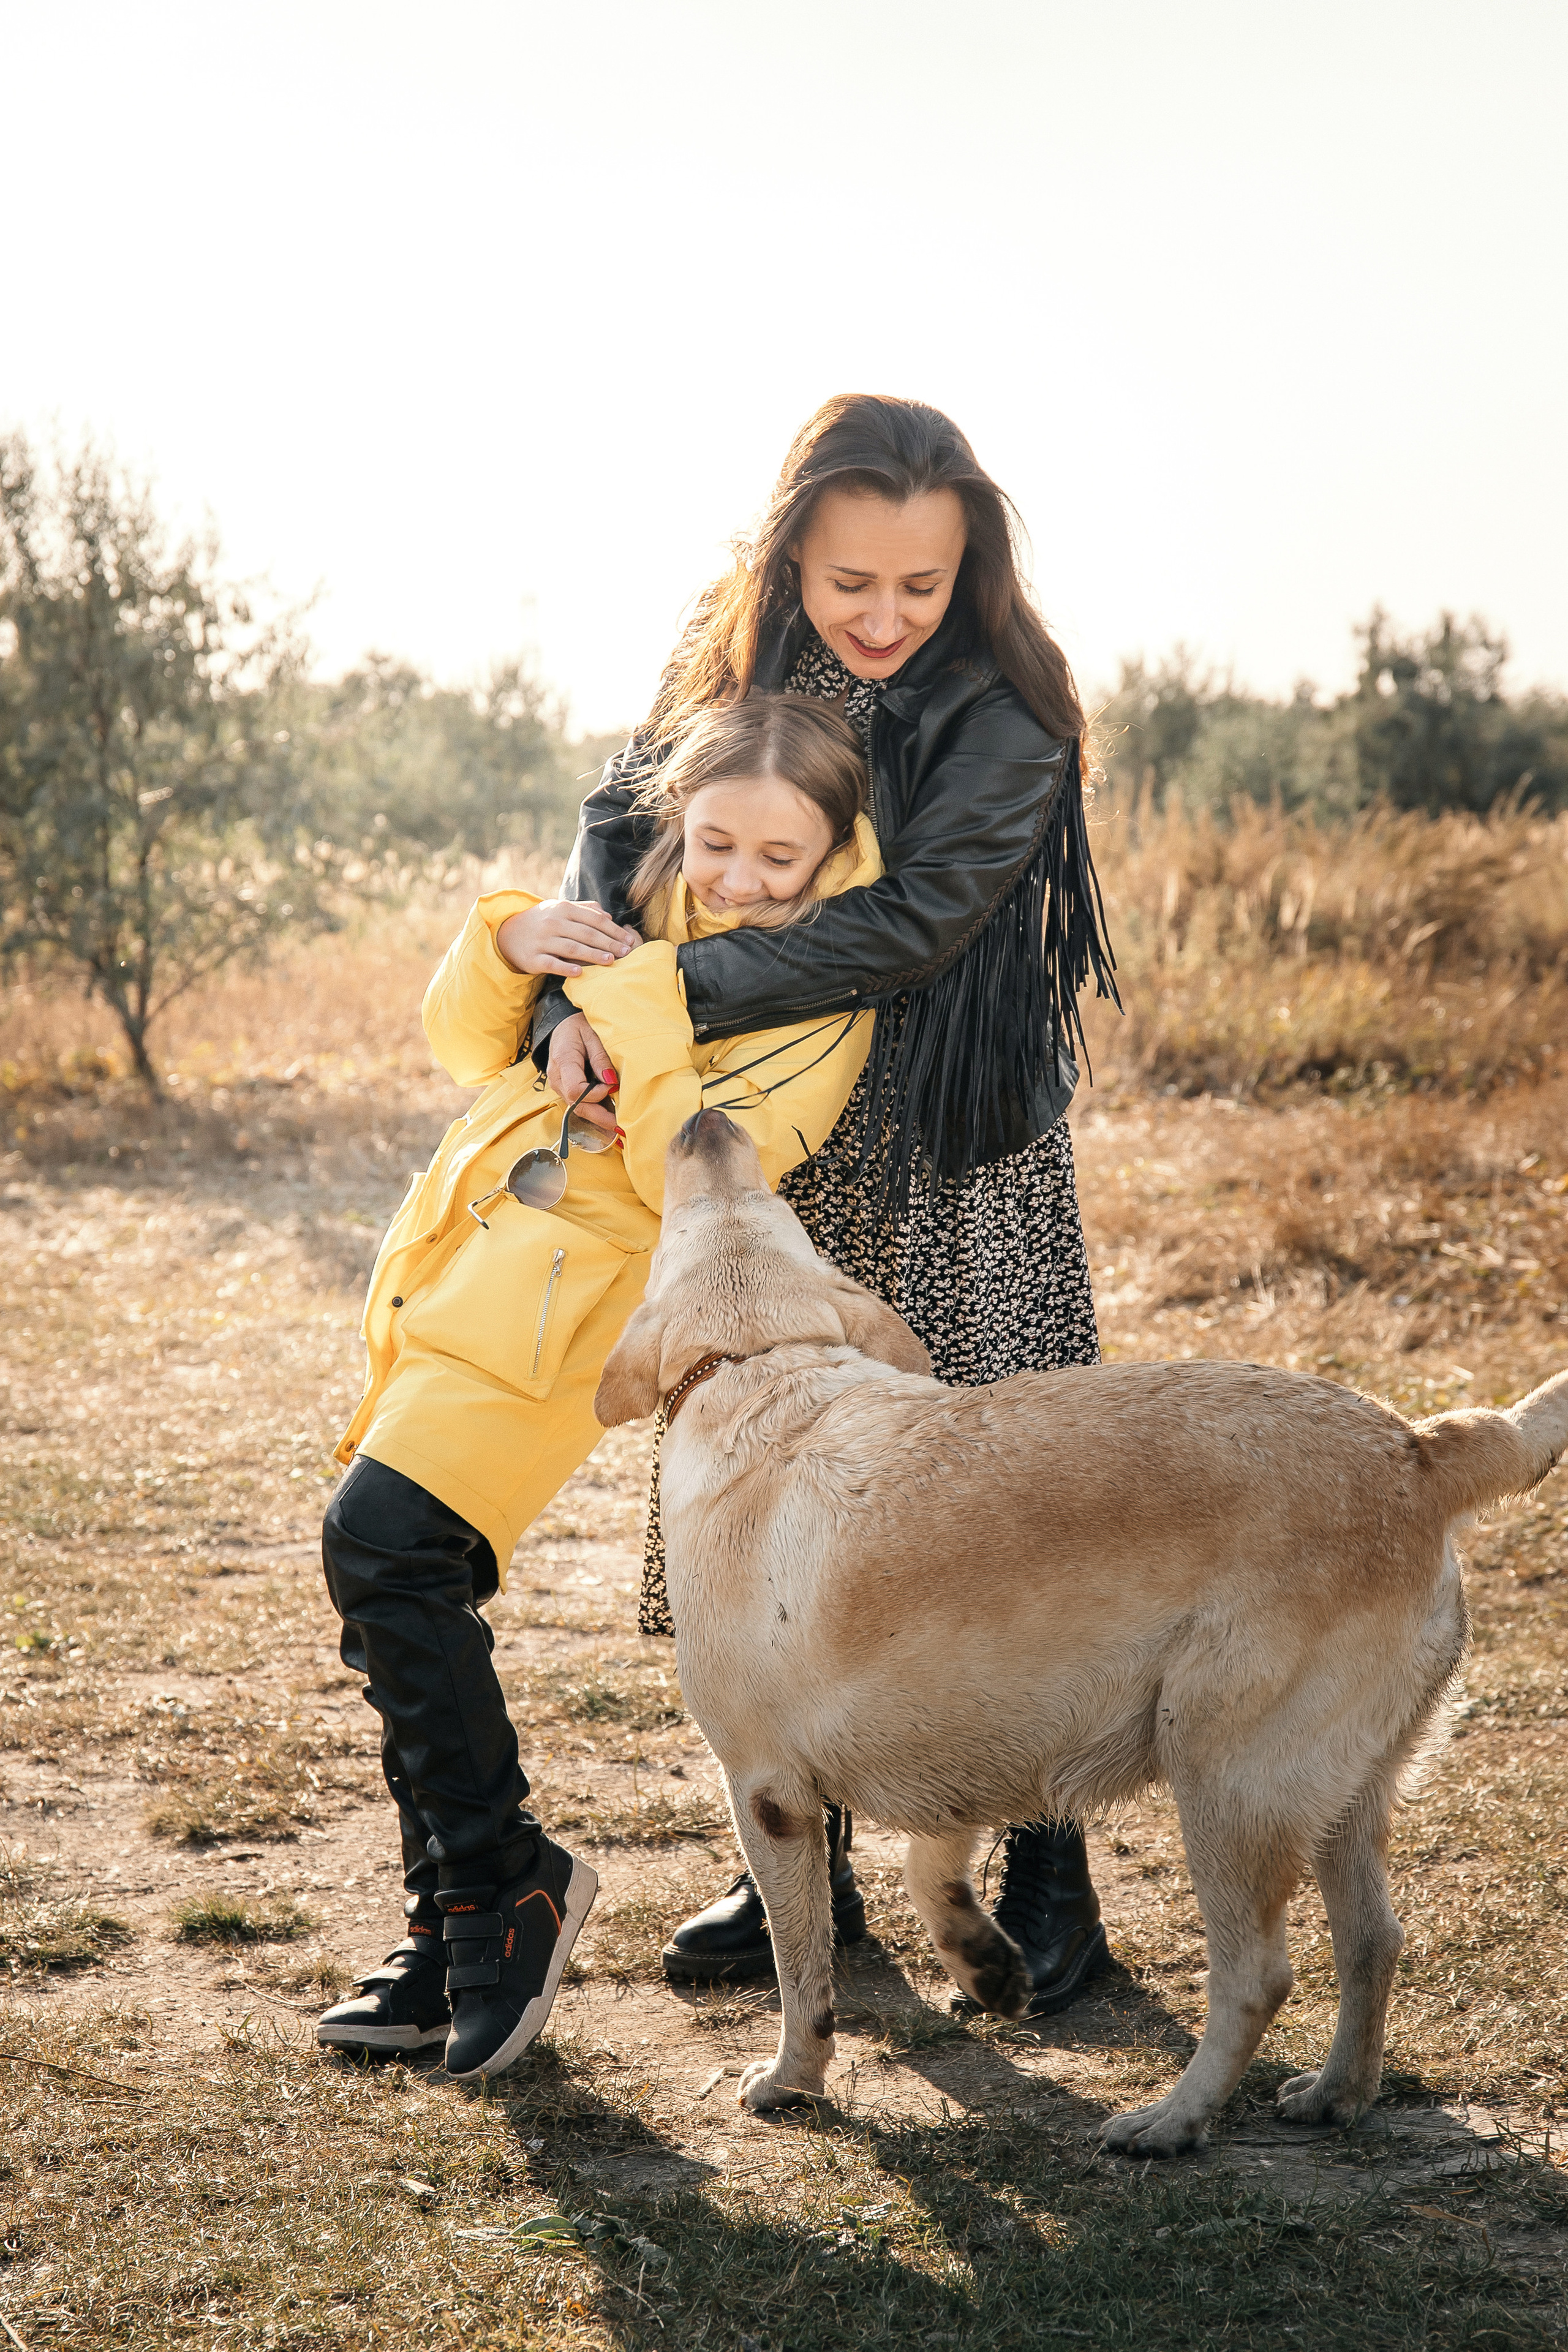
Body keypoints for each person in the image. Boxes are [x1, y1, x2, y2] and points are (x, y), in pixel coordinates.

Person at [531, 393, 1120, 2013]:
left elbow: (916, 922)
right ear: (790, 551)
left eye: (918, 586)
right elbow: (617, 834)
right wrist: (574, 991)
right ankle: (794, 1867)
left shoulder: (1008, 706)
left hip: (951, 1151)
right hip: (768, 1141)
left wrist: (662, 990)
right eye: (849, 581)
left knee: (1003, 1505)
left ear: (966, 569)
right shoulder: (721, 656)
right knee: (763, 1485)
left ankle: (1049, 1874)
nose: (882, 617)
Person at [317, 695, 883, 2075]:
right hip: (459, 1270)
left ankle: (504, 1889)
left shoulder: (830, 996)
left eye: (779, 858)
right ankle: (445, 1928)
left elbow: (700, 1170)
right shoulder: (634, 909)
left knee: (385, 1548)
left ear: (831, 854)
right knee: (405, 1593)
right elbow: (466, 1047)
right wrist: (513, 948)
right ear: (680, 821)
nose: (738, 880)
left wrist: (619, 1006)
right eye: (715, 844)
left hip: (573, 1314)